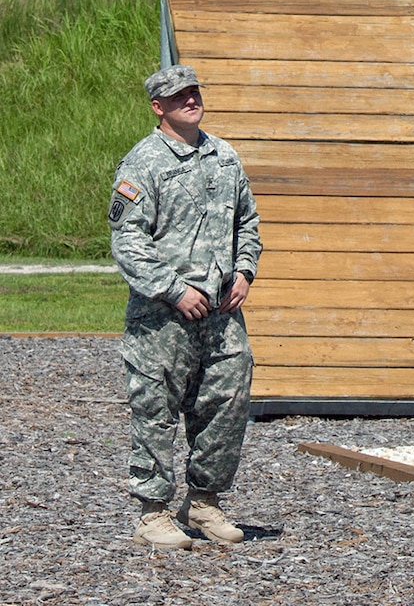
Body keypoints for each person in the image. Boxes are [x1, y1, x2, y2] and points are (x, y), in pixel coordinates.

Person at [110, 62, 262, 550]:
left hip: (221, 315)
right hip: (163, 318)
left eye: (194, 93)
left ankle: (203, 503)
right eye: (178, 97)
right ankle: (151, 513)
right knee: (155, 409)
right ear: (159, 107)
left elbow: (248, 222)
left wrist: (244, 271)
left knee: (226, 403)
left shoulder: (225, 157)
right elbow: (128, 241)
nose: (190, 101)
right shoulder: (143, 164)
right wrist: (174, 289)